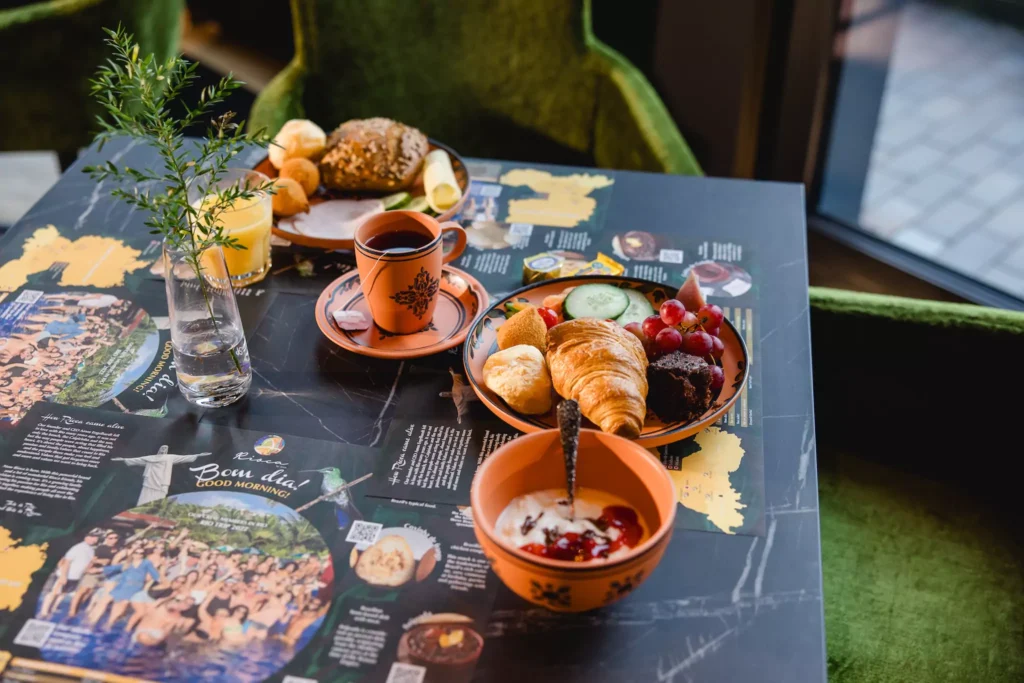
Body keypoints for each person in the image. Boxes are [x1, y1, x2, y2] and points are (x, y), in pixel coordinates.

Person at [111, 446, 212, 505]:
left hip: (162, 480)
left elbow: (184, 458)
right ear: (159, 449)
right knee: (146, 493)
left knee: (159, 495)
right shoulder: (151, 457)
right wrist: (123, 459)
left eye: (165, 449)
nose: (163, 450)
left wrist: (199, 455)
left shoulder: (170, 457)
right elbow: (137, 460)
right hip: (150, 479)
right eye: (162, 448)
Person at [39, 529, 101, 618]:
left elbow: (88, 563)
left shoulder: (92, 550)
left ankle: (53, 608)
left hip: (75, 577)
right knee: (54, 592)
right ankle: (44, 611)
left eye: (96, 538)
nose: (94, 540)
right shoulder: (77, 547)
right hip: (65, 575)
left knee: (63, 594)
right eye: (92, 537)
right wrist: (63, 576)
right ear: (86, 537)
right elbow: (67, 561)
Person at [100, 547, 160, 628]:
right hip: (123, 586)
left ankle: (111, 623)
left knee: (124, 605)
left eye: (141, 553)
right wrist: (98, 570)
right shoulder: (128, 563)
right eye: (137, 553)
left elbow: (155, 574)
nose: (138, 555)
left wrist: (163, 582)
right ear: (133, 554)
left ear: (143, 555)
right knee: (117, 605)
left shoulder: (146, 563)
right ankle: (109, 623)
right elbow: (114, 568)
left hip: (135, 587)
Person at [69, 530, 120, 618]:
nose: (113, 540)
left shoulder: (118, 549)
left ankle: (78, 609)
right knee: (82, 591)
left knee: (89, 593)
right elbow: (92, 560)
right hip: (93, 572)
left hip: (104, 574)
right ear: (107, 539)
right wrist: (89, 569)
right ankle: (72, 611)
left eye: (116, 538)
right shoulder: (101, 548)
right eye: (111, 538)